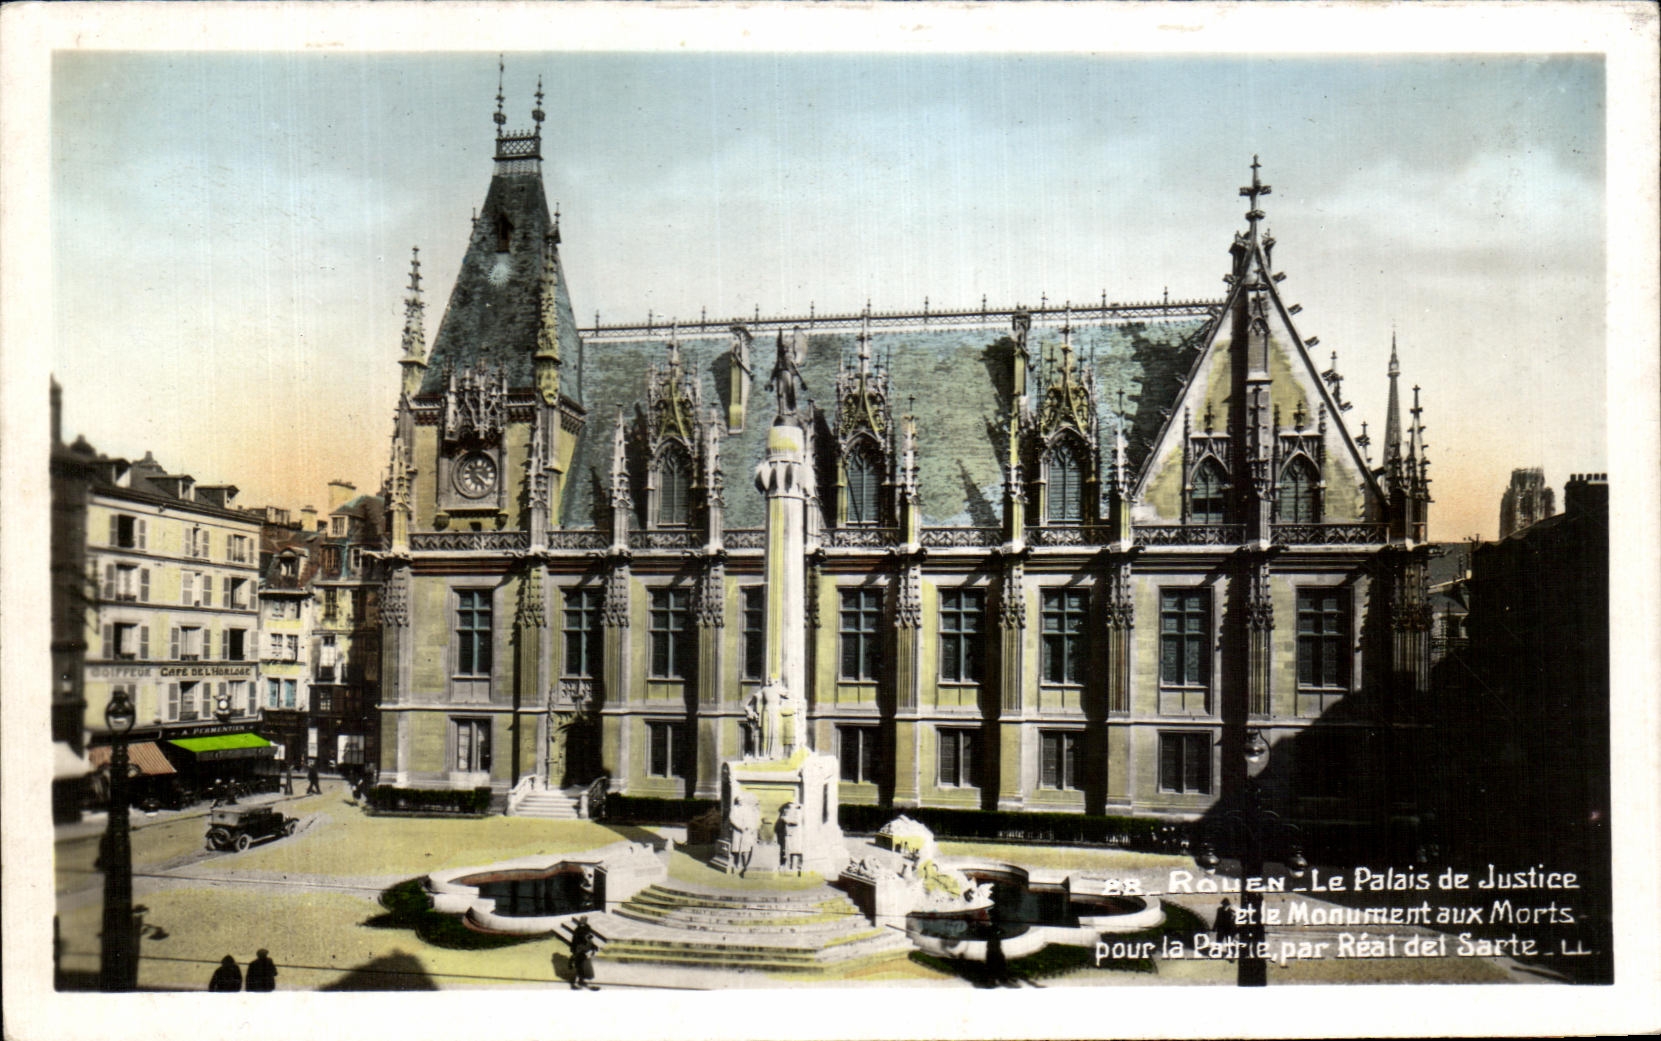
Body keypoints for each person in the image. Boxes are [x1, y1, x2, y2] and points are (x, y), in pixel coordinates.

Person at [566, 917, 598, 991]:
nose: (582, 923)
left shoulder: (586, 929)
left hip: (585, 951)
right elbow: (575, 942)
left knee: (584, 968)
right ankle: (575, 984)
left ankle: (581, 981)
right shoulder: (578, 931)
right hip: (580, 952)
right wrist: (576, 951)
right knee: (580, 968)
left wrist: (592, 947)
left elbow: (590, 940)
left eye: (583, 922)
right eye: (581, 922)